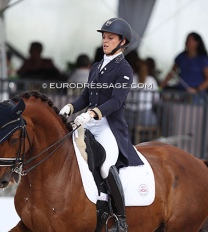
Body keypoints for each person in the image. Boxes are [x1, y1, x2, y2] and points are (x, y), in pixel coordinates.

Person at [59, 18, 143, 232]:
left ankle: (121, 219)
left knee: (105, 165)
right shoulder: (96, 66)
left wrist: (92, 114)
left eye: (110, 38)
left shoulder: (124, 69)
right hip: (88, 121)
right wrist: (70, 107)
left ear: (122, 41)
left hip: (109, 126)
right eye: (104, 37)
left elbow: (116, 101)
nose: (105, 41)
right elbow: (86, 96)